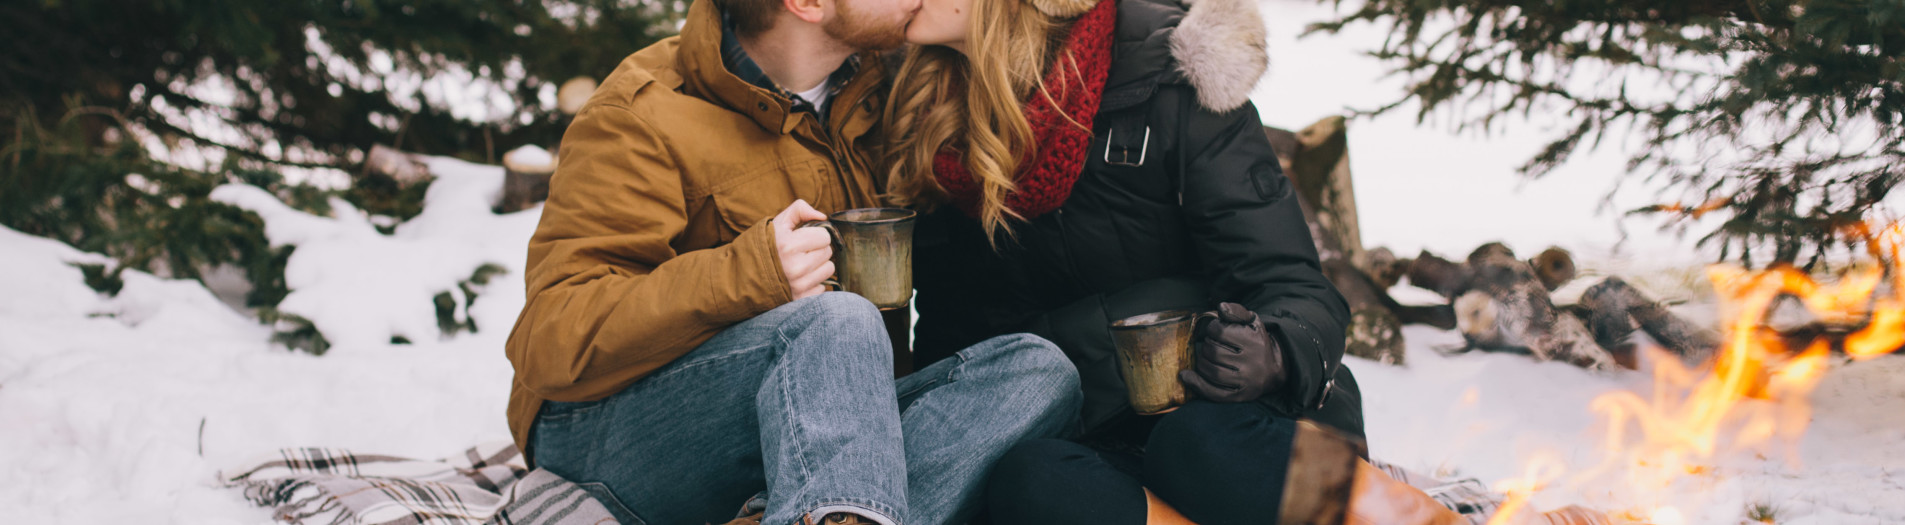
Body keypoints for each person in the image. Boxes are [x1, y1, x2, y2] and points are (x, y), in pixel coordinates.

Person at [879, 0, 1543, 523]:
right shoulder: (930, 122)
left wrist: (1277, 351)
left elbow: (1293, 283)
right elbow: (957, 350)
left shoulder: (1164, 77)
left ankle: (1418, 520)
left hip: (1249, 425)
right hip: (1097, 435)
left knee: (1197, 443)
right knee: (1032, 479)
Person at [501, 0, 1082, 523]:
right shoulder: (642, 113)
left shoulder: (882, 87)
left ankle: (814, 511)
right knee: (837, 318)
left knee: (1038, 371)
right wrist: (747, 275)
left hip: (823, 419)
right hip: (610, 433)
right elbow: (550, 337)